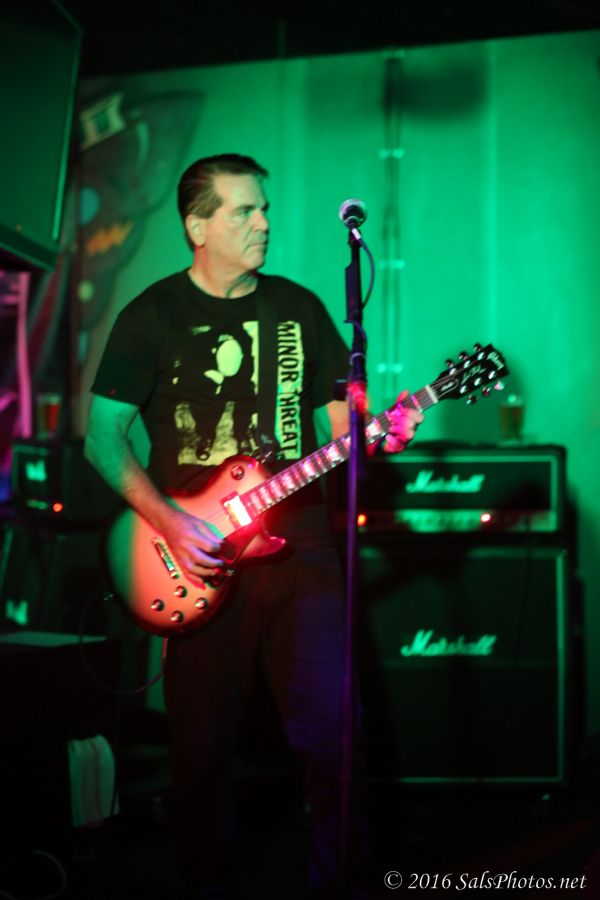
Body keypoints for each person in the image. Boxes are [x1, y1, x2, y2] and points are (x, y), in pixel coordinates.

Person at [84, 153, 423, 899]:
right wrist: (170, 523)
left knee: (335, 738)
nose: (264, 222)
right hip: (193, 553)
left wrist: (383, 433)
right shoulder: (150, 316)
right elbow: (102, 440)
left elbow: (342, 430)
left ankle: (341, 882)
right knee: (200, 752)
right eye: (244, 210)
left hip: (302, 545)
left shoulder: (299, 309)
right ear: (197, 226)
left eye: (264, 208)